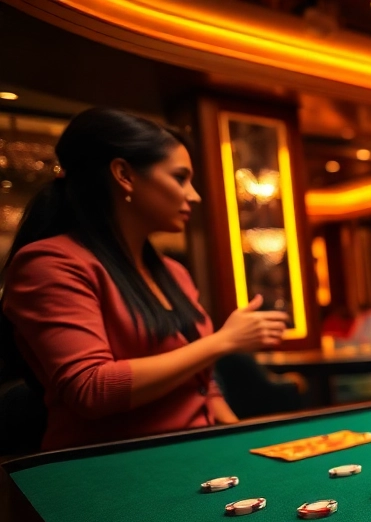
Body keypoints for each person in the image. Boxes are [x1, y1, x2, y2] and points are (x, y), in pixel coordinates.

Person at [0, 108, 289, 451]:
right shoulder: (50, 263)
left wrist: (240, 442)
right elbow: (91, 390)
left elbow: (202, 385)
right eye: (180, 178)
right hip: (112, 468)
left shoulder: (173, 273)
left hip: (195, 452)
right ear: (124, 175)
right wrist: (222, 341)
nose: (193, 195)